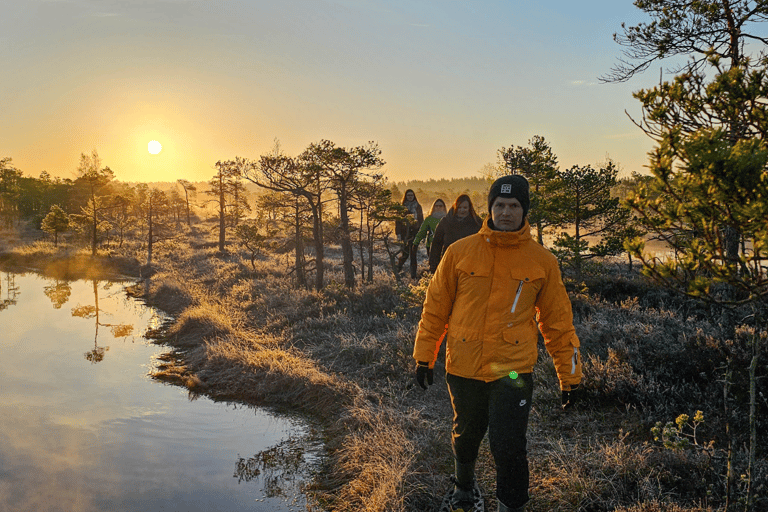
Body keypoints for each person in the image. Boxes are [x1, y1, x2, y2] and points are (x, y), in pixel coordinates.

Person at [412, 175, 582, 512]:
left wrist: (571, 376)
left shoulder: (542, 261)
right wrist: (424, 356)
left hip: (513, 372)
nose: (506, 212)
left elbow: (558, 324)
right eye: (500, 205)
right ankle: (463, 488)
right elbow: (435, 309)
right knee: (466, 435)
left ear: (524, 210)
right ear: (490, 208)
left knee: (509, 447)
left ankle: (512, 507)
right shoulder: (459, 253)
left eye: (514, 206)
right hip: (464, 367)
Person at [428, 194, 483, 273]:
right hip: (449, 264)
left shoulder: (477, 223)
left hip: (470, 267)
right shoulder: (446, 222)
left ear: (469, 208)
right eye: (459, 207)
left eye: (465, 208)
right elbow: (436, 244)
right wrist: (433, 265)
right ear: (455, 207)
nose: (462, 210)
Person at [396, 189, 424, 279]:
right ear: (405, 196)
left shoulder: (418, 206)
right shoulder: (402, 207)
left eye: (412, 195)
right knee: (405, 254)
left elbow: (421, 220)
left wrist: (422, 233)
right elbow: (398, 222)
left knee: (413, 255)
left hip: (415, 233)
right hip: (405, 234)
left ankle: (413, 276)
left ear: (414, 196)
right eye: (408, 195)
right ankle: (397, 270)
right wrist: (398, 234)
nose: (410, 197)